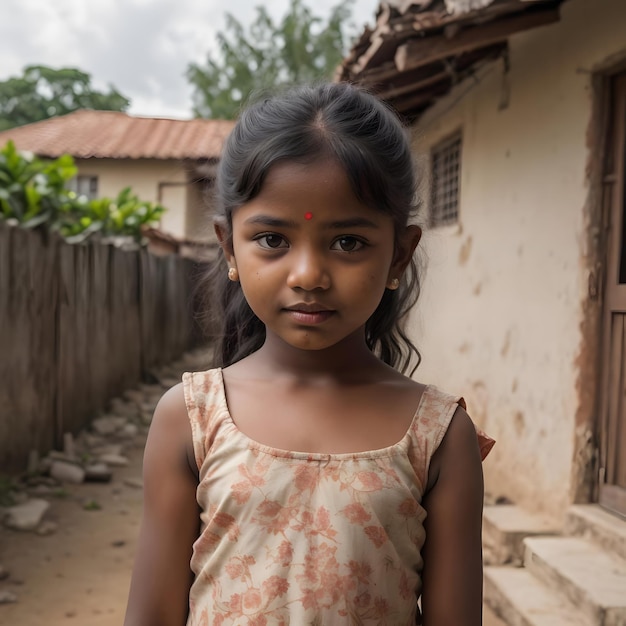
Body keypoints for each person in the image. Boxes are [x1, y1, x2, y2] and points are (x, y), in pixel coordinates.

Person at [123, 82, 494, 626]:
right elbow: (152, 615)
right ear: (229, 248)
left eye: (348, 242)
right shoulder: (192, 417)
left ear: (400, 255)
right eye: (273, 240)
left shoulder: (438, 436)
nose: (308, 276)